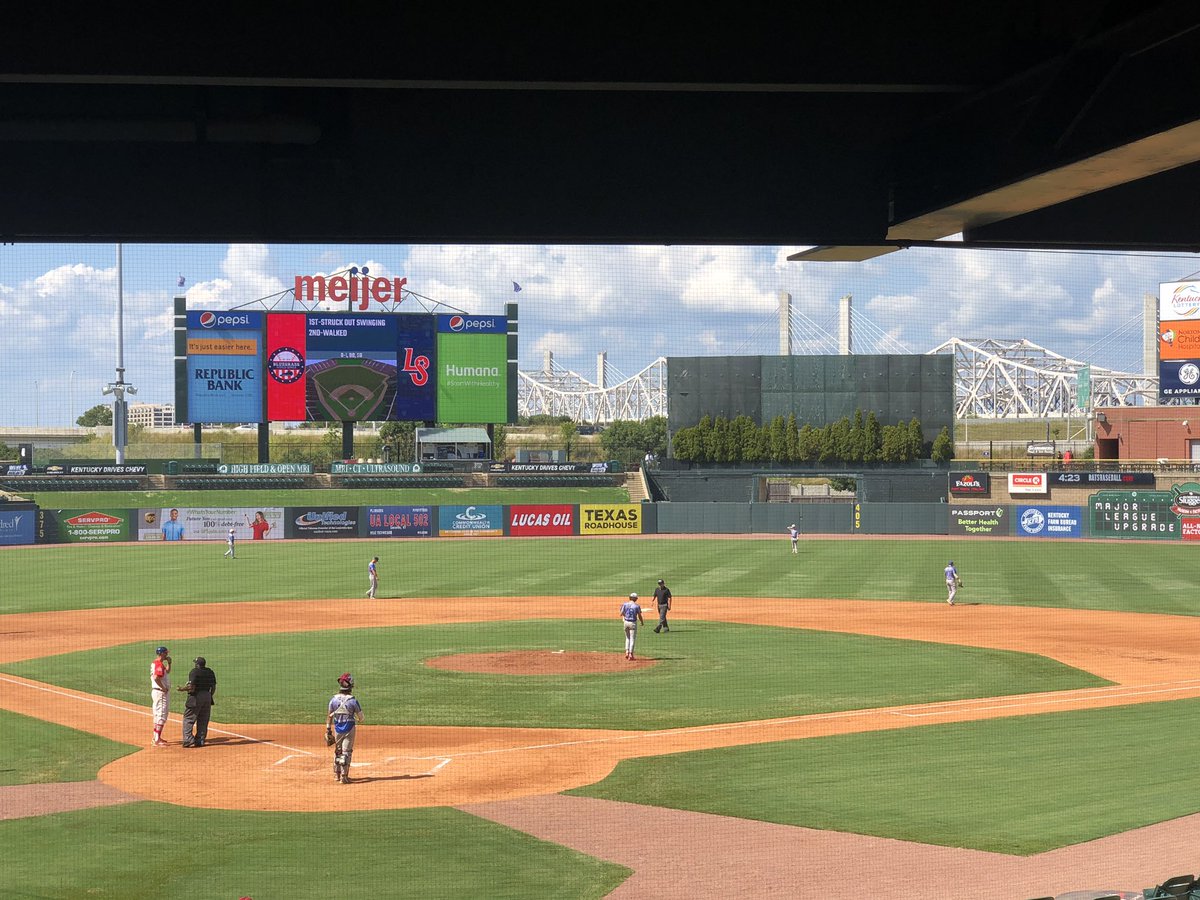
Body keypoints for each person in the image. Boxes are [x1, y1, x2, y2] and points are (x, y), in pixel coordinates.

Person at [326, 672, 365, 784]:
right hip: (349, 729)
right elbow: (361, 718)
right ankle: (344, 777)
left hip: (337, 729)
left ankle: (336, 775)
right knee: (346, 751)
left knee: (338, 751)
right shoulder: (353, 701)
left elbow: (329, 716)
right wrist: (358, 719)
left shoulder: (333, 700)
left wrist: (328, 729)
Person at [179, 656, 217, 748]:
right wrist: (209, 696)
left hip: (196, 696)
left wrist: (182, 689)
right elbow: (214, 686)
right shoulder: (210, 672)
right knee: (203, 719)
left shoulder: (194, 672)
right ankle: (200, 740)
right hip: (207, 696)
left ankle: (188, 740)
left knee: (188, 718)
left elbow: (191, 687)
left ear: (197, 664)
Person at [150, 646, 172, 746]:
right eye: (166, 653)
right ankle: (157, 740)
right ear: (162, 653)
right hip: (160, 693)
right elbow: (156, 678)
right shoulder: (158, 664)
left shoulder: (156, 663)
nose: (167, 654)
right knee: (162, 715)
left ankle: (156, 737)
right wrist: (163, 688)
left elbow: (166, 672)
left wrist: (169, 663)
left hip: (156, 692)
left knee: (157, 714)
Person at [620, 592, 644, 661]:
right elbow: (639, 615)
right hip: (633, 623)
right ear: (635, 599)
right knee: (632, 639)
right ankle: (631, 654)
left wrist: (625, 616)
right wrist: (642, 622)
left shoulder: (625, 604)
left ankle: (627, 652)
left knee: (627, 638)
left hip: (626, 622)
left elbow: (621, 613)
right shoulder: (637, 606)